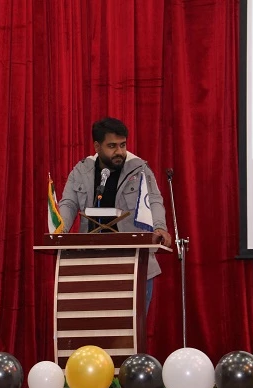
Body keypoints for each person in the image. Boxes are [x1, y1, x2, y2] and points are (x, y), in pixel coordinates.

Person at [58, 117, 172, 311]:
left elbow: (153, 200)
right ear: (97, 146)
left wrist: (160, 226)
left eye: (122, 145)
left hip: (134, 262)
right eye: (112, 146)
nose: (119, 151)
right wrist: (60, 230)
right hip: (91, 263)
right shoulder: (81, 171)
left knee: (132, 326)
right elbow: (68, 203)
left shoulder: (139, 169)